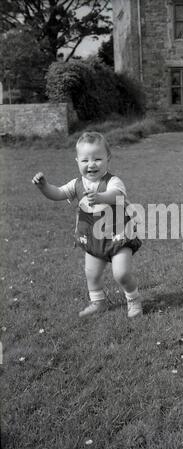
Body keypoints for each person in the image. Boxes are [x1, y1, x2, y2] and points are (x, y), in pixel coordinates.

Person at [32, 131, 142, 318]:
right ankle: (98, 301)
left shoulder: (112, 181)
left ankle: (133, 299)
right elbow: (57, 193)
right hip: (93, 239)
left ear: (108, 158)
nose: (91, 164)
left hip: (119, 236)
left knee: (121, 273)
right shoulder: (76, 184)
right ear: (77, 161)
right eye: (85, 160)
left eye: (97, 159)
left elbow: (117, 195)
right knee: (91, 273)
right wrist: (44, 187)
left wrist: (100, 196)